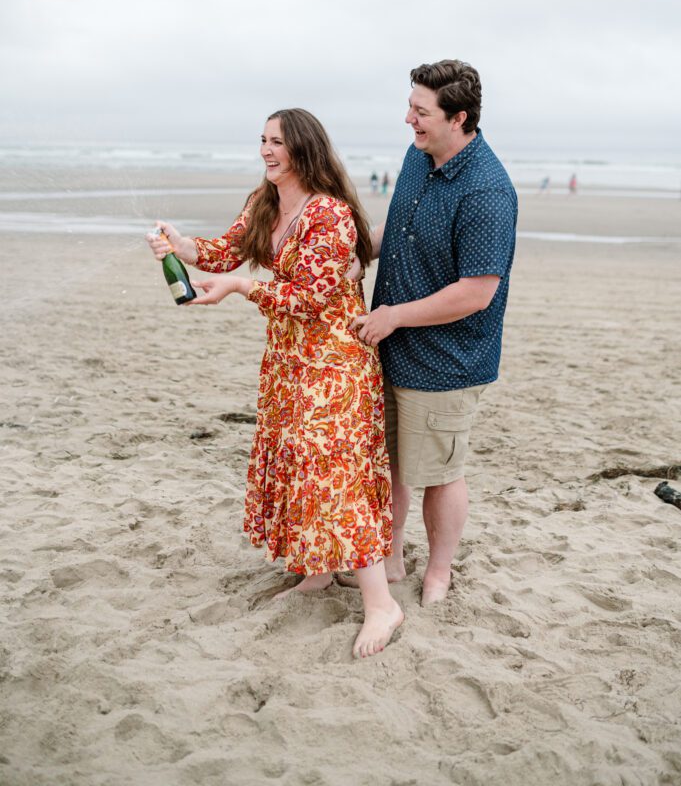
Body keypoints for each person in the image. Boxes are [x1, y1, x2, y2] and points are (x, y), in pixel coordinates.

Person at [146, 109, 403, 658]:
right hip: (287, 364)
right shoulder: (263, 202)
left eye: (277, 142)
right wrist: (177, 244)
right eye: (262, 140)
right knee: (294, 468)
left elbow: (309, 297)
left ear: (304, 150)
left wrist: (240, 287)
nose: (266, 150)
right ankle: (315, 571)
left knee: (337, 477)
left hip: (333, 368)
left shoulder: (330, 215)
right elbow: (221, 250)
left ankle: (381, 603)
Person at [345, 60, 517, 605]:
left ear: (458, 118)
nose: (409, 120)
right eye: (410, 107)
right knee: (390, 461)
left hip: (447, 359)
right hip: (391, 345)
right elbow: (395, 227)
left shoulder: (487, 191)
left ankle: (438, 571)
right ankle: (391, 557)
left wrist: (393, 315)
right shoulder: (419, 157)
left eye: (421, 112)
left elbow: (476, 292)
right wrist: (355, 255)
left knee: (439, 473)